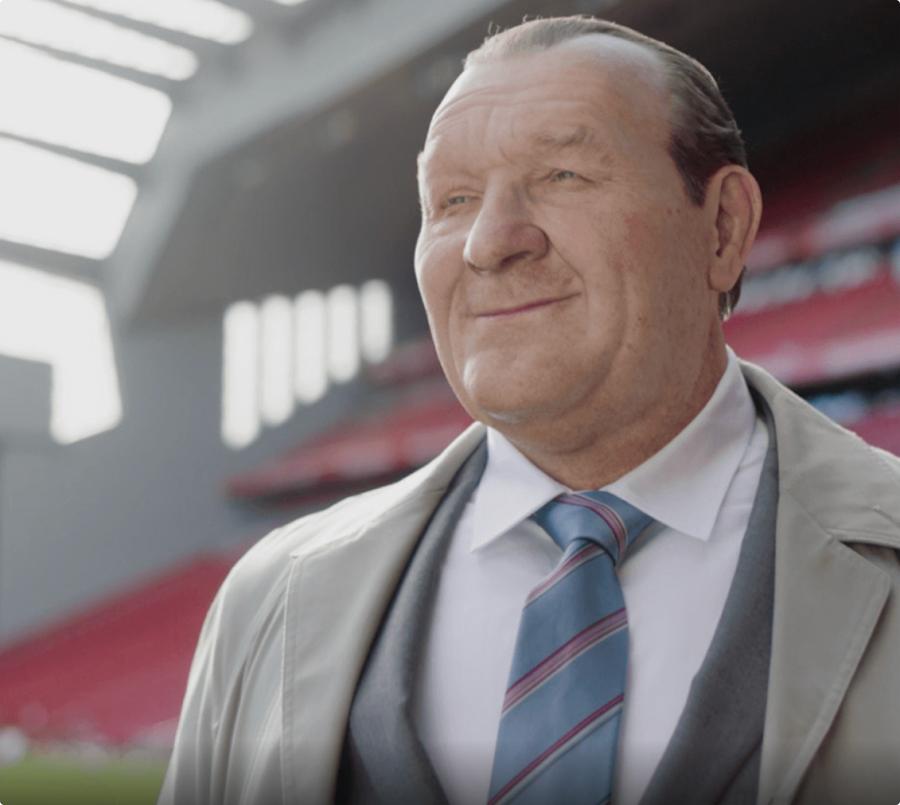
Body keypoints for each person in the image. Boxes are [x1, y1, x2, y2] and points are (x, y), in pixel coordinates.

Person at [158, 16, 900, 805]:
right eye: (453, 199)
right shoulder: (269, 600)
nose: (489, 241)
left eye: (562, 176)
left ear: (722, 228)